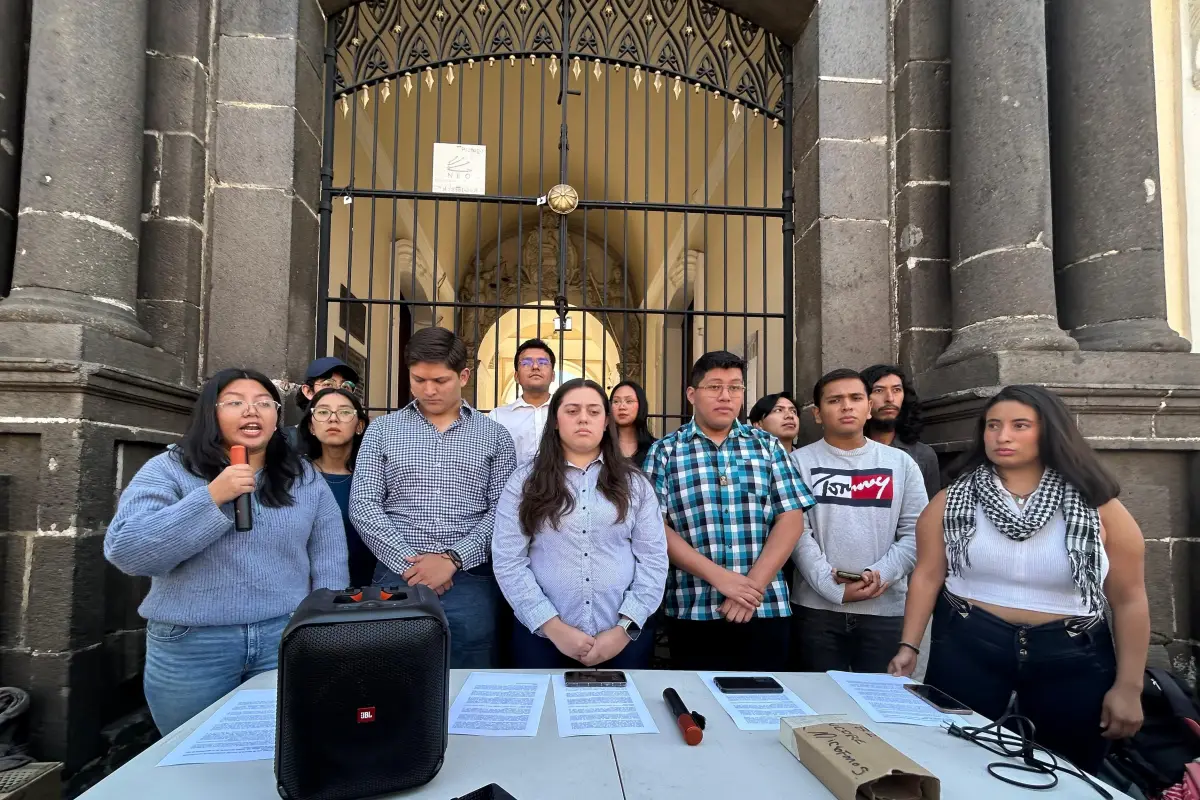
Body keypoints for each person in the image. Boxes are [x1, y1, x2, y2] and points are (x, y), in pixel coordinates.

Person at [888, 385, 1147, 773]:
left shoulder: (1099, 506)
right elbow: (926, 575)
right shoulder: (952, 499)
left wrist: (1129, 686)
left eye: (1019, 425)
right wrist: (909, 646)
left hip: (1071, 655)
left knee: (1066, 771)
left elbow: (1129, 598)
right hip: (968, 647)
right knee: (957, 763)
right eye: (993, 426)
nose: (1002, 436)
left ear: (1050, 432)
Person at [104, 369, 349, 735]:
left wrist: (322, 628)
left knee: (278, 749)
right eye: (235, 403)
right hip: (193, 644)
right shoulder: (169, 469)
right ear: (211, 412)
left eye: (264, 403)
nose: (252, 412)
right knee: (193, 757)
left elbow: (329, 559)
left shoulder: (302, 475)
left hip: (282, 638)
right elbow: (128, 551)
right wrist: (213, 496)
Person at [351, 327, 517, 668]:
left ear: (464, 375)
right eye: (418, 379)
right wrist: (412, 565)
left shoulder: (495, 437)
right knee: (393, 673)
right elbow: (364, 505)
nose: (429, 390)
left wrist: (452, 560)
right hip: (397, 577)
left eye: (440, 380)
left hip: (470, 578)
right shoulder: (382, 430)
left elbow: (504, 512)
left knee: (471, 676)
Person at [644, 351, 815, 671]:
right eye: (714, 387)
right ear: (692, 394)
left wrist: (750, 587)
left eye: (735, 387)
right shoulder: (666, 450)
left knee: (764, 710)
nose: (726, 396)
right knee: (698, 710)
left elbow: (791, 518)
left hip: (764, 606)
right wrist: (722, 580)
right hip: (693, 608)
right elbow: (654, 528)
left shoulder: (767, 445)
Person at [492, 379, 668, 668]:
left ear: (606, 421)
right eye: (572, 411)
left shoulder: (634, 484)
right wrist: (551, 626)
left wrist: (624, 628)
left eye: (594, 411)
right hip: (543, 639)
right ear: (557, 421)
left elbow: (653, 559)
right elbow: (508, 558)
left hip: (623, 640)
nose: (583, 418)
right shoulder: (525, 482)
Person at [789, 369, 927, 673]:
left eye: (855, 398)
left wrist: (881, 574)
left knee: (882, 706)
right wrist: (830, 586)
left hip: (885, 610)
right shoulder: (797, 463)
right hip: (816, 613)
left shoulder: (901, 464)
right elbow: (795, 533)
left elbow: (917, 533)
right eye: (835, 400)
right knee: (820, 708)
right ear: (818, 414)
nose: (846, 406)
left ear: (869, 408)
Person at [298, 387, 376, 587]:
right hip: (310, 588)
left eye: (344, 412)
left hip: (371, 585)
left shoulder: (374, 476)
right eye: (323, 412)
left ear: (359, 425)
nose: (333, 419)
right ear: (311, 426)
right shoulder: (295, 477)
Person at [861, 364, 940, 501]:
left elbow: (929, 513)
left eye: (897, 390)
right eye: (879, 390)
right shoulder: (847, 451)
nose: (890, 398)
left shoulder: (922, 455)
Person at [489, 338, 555, 468]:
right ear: (516, 376)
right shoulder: (498, 417)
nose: (535, 367)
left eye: (543, 362)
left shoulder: (566, 413)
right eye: (526, 363)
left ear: (553, 375)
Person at [285, 356, 360, 449]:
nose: (338, 392)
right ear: (308, 391)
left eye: (346, 387)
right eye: (328, 384)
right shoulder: (286, 441)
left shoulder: (363, 444)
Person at [610, 379, 658, 469]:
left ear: (641, 405)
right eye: (616, 401)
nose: (622, 407)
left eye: (629, 401)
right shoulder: (601, 447)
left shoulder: (656, 448)